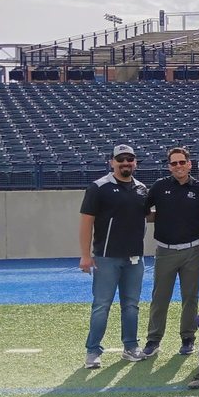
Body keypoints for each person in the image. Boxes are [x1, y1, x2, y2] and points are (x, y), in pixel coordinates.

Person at [78, 144, 149, 368]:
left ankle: (130, 347)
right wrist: (85, 256)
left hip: (135, 259)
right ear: (112, 162)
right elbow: (86, 223)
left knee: (131, 305)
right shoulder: (99, 187)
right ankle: (92, 351)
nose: (125, 163)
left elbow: (147, 216)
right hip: (106, 258)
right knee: (101, 305)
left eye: (130, 159)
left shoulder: (141, 189)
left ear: (135, 162)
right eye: (121, 159)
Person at [143, 146, 199, 358]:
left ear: (189, 164)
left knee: (190, 297)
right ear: (169, 166)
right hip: (165, 250)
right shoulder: (159, 187)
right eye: (174, 163)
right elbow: (145, 211)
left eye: (182, 162)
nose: (178, 166)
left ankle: (187, 338)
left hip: (192, 250)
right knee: (160, 297)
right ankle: (153, 340)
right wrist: (162, 217)